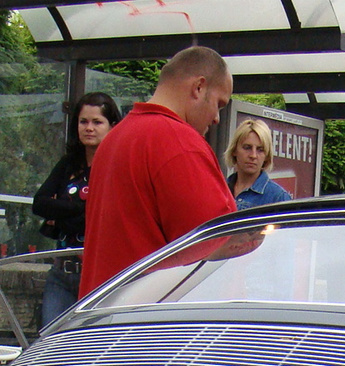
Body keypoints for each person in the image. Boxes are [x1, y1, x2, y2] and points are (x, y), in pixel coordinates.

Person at [77, 45, 236, 298]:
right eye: (219, 103)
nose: (217, 117)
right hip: (153, 327)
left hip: (102, 318)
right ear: (199, 87)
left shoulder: (114, 139)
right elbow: (213, 249)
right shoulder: (181, 143)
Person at [31, 91, 118, 325]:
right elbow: (39, 203)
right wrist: (78, 209)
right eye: (83, 121)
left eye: (97, 122)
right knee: (50, 344)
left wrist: (61, 214)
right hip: (62, 272)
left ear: (112, 126)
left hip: (100, 276)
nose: (89, 128)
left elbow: (103, 217)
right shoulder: (70, 163)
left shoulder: (115, 166)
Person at [224, 118, 293, 210]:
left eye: (260, 150)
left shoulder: (278, 197)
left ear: (267, 156)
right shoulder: (221, 190)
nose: (253, 155)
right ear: (234, 150)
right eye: (247, 147)